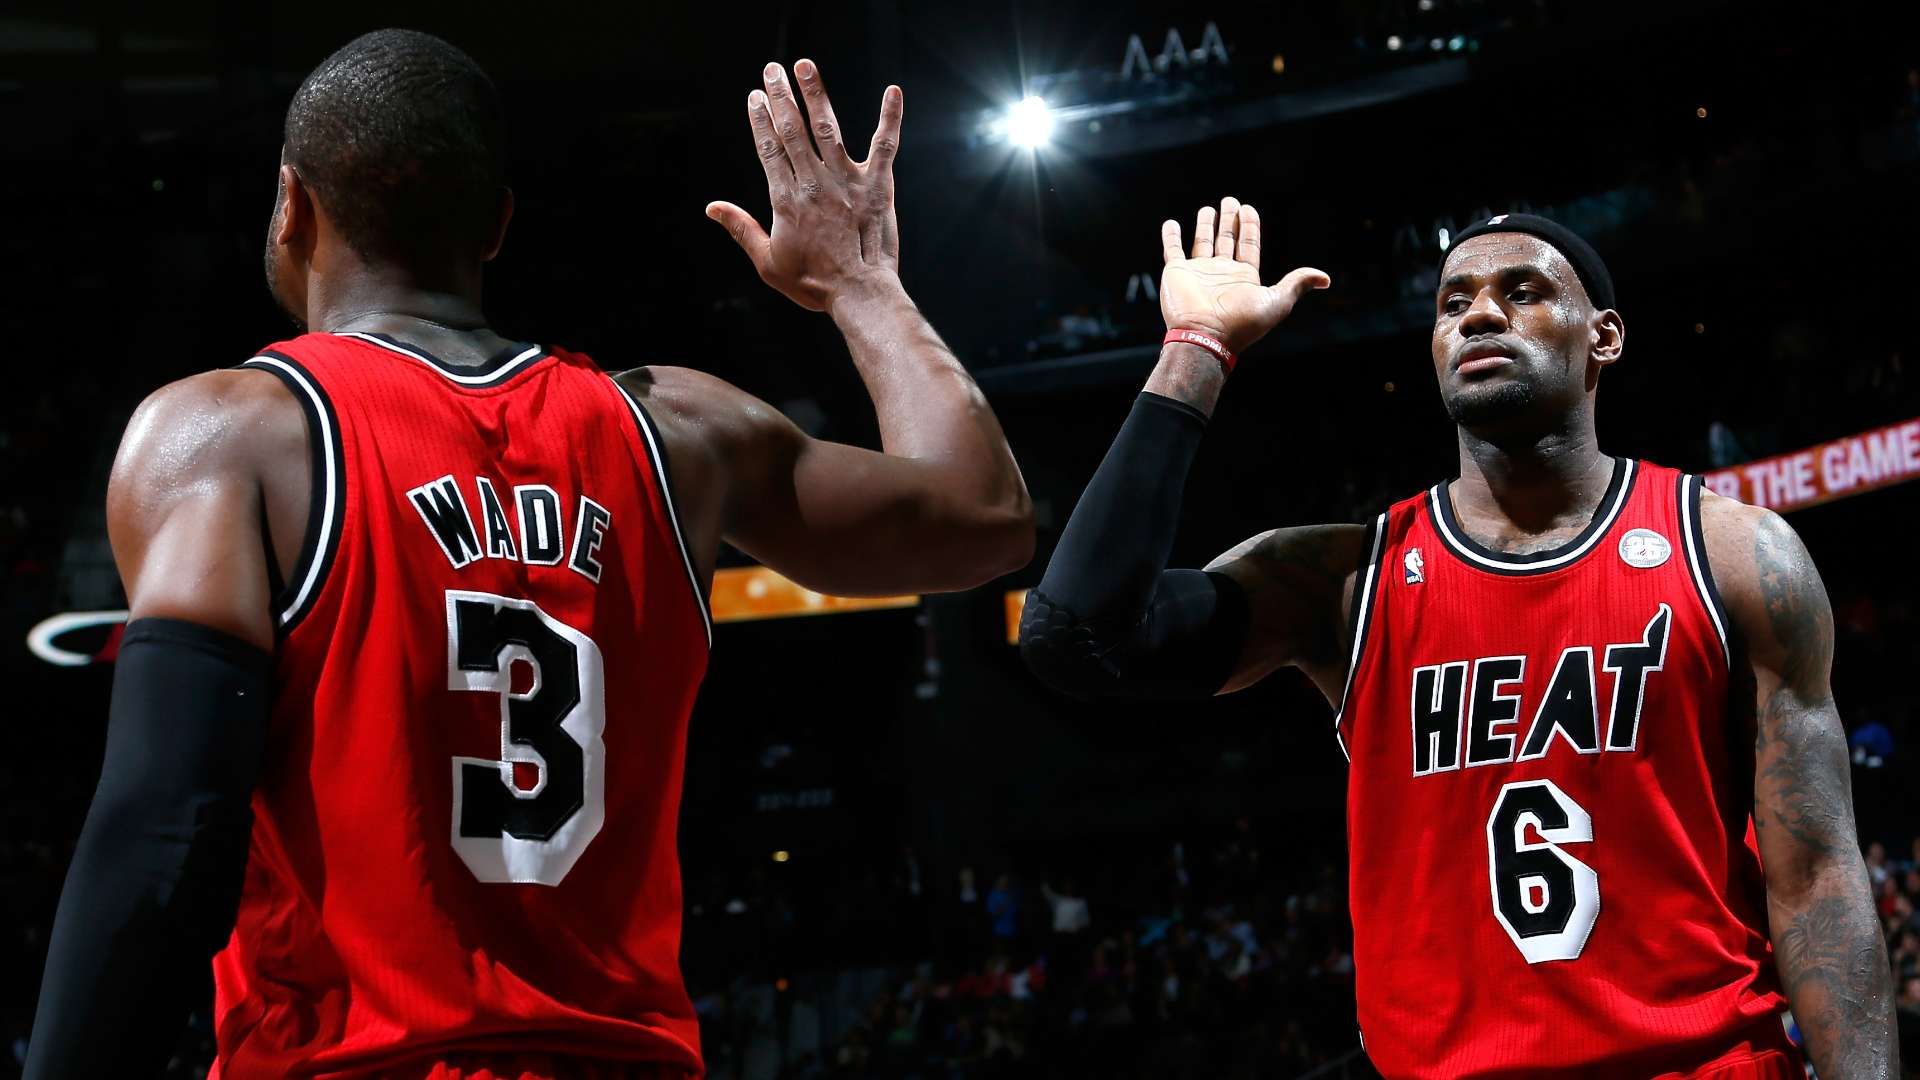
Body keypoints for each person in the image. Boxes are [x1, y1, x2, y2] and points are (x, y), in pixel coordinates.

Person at [27, 30, 1031, 1079]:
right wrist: (863, 288)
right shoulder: (679, 430)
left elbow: (164, 830)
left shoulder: (233, 433)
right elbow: (987, 514)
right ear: (498, 227)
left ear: (292, 204)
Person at [1019, 199, 1896, 1077]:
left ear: (1605, 337)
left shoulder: (1735, 556)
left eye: (1522, 291)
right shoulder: (1342, 580)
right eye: (1453, 302)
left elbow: (1817, 879)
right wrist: (1197, 350)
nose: (1479, 313)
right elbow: (1077, 634)